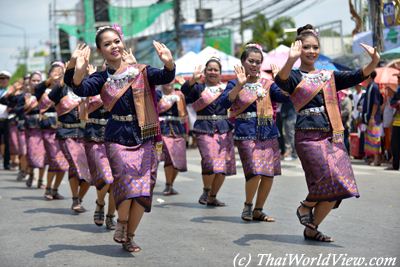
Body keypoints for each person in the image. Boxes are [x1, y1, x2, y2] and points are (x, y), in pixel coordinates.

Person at [64, 25, 175, 253]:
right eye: (107, 44)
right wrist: (78, 68)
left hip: (144, 134)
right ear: (100, 50)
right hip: (116, 136)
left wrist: (169, 62)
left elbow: (165, 76)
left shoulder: (141, 70)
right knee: (124, 182)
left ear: (122, 43)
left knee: (143, 189)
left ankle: (130, 236)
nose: (113, 46)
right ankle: (121, 223)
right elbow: (80, 89)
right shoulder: (100, 77)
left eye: (116, 41)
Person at [274, 24, 379, 242]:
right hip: (308, 135)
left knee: (340, 185)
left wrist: (374, 62)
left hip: (332, 135)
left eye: (315, 47)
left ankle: (312, 226)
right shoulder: (293, 75)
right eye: (306, 47)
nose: (311, 51)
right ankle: (306, 206)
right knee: (324, 180)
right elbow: (280, 81)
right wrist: (291, 59)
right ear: (298, 49)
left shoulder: (327, 75)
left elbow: (355, 75)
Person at [219, 43, 289, 222]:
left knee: (268, 173)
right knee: (255, 171)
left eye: (258, 62)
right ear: (243, 61)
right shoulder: (234, 83)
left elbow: (284, 97)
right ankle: (248, 205)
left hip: (268, 131)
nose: (254, 65)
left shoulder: (267, 84)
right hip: (246, 131)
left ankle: (259, 209)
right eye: (251, 61)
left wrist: (280, 79)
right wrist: (239, 86)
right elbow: (224, 103)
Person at [181, 58, 236, 206]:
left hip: (223, 128)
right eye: (210, 69)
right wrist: (193, 79)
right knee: (209, 160)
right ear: (205, 72)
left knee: (223, 165)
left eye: (215, 70)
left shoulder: (227, 89)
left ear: (220, 73)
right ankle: (206, 189)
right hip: (204, 128)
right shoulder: (198, 88)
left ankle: (212, 196)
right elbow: (185, 91)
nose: (212, 72)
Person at [48, 61, 91, 212]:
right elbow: (52, 97)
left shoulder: (86, 88)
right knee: (75, 165)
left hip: (84, 135)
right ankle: (75, 199)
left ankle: (78, 199)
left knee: (87, 171)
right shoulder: (62, 89)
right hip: (66, 134)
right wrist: (60, 80)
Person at [83, 64, 116, 230]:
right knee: (106, 177)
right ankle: (100, 203)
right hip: (95, 135)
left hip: (116, 135)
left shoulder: (122, 83)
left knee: (117, 181)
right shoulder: (92, 84)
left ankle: (111, 215)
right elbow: (82, 111)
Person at [35, 64, 69, 200]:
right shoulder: (42, 90)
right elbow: (37, 89)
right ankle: (48, 188)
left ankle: (54, 189)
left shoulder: (63, 89)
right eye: (55, 71)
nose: (58, 74)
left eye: (61, 72)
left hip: (62, 129)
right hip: (48, 130)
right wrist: (49, 81)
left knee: (63, 162)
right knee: (56, 160)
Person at [157, 80, 188, 195]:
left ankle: (171, 184)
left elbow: (184, 115)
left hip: (177, 129)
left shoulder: (179, 95)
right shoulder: (157, 94)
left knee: (178, 160)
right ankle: (167, 184)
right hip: (162, 129)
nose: (167, 83)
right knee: (168, 157)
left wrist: (187, 132)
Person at [23, 71, 47, 188]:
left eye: (38, 80)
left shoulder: (46, 94)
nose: (36, 83)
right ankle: (31, 172)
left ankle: (41, 180)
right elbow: (24, 108)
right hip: (31, 129)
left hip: (44, 128)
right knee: (32, 153)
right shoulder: (27, 95)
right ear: (30, 82)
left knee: (44, 154)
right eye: (34, 80)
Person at [362, 71, 383, 166]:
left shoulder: (374, 87)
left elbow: (376, 103)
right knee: (370, 139)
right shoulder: (370, 86)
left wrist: (372, 117)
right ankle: (371, 157)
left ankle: (377, 159)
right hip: (369, 117)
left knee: (375, 138)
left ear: (369, 75)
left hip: (373, 117)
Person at [0, 70, 11, 170]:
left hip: (7, 120)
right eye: (1, 78)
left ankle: (6, 163)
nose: (3, 81)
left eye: (5, 79)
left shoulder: (11, 91)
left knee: (7, 142)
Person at [389, 74, 400, 170]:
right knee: (395, 144)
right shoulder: (398, 91)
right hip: (397, 122)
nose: (398, 80)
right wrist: (398, 103)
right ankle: (395, 164)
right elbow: (392, 103)